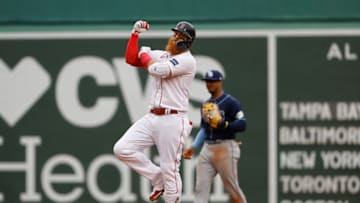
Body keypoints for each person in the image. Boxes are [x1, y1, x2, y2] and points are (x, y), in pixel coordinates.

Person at [113, 20, 196, 203]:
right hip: (153, 116)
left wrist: (145, 54)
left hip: (173, 118)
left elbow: (157, 70)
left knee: (170, 169)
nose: (175, 37)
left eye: (180, 36)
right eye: (175, 34)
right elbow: (131, 58)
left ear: (187, 42)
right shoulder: (163, 55)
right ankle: (157, 179)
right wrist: (135, 34)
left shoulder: (187, 60)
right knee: (122, 149)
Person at [182, 70, 248, 203]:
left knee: (232, 189)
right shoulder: (206, 105)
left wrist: (225, 124)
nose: (209, 84)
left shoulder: (231, 102)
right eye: (207, 81)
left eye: (212, 81)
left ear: (220, 81)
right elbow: (204, 129)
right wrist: (194, 147)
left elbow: (242, 123)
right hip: (207, 148)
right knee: (200, 189)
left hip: (225, 147)